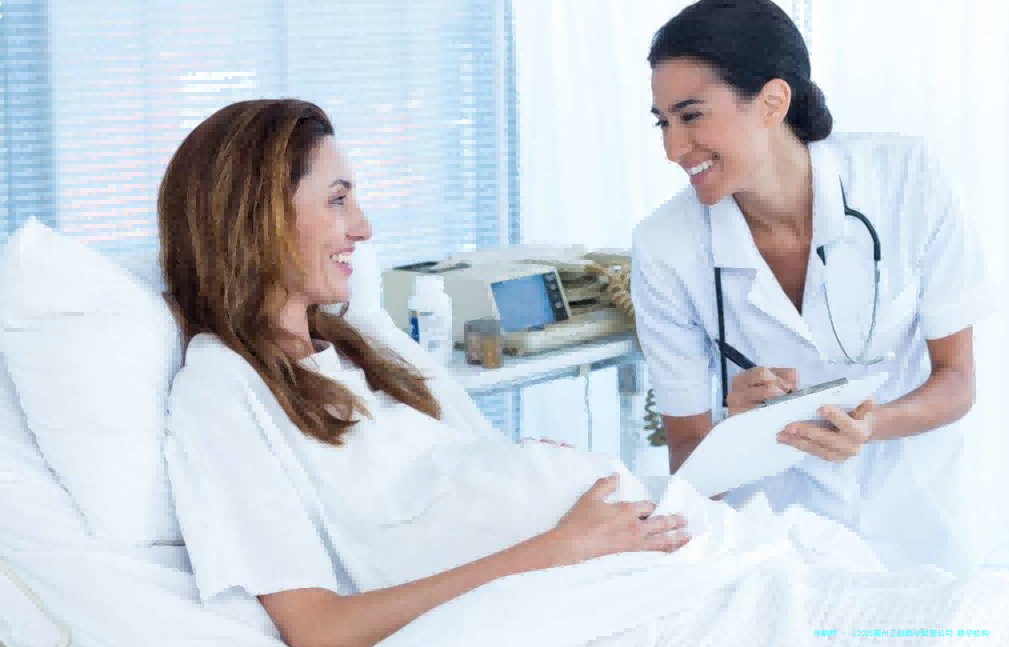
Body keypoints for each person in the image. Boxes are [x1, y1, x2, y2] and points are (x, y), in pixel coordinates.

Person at [156, 98, 691, 647]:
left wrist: (513, 465)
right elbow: (319, 629)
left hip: (623, 544)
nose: (362, 228)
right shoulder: (221, 387)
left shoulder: (357, 344)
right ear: (256, 218)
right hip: (571, 579)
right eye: (338, 201)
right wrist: (560, 549)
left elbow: (434, 480)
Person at [631, 0, 991, 576]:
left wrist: (870, 426)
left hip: (918, 523)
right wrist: (735, 433)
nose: (673, 150)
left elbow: (957, 381)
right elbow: (688, 468)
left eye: (691, 116)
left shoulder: (906, 177)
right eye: (663, 123)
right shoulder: (664, 248)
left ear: (773, 101)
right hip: (778, 545)